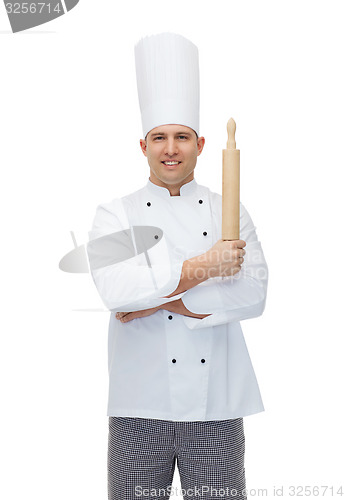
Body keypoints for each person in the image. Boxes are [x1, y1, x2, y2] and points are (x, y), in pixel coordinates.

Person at [87, 33, 268, 500]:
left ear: (201, 144)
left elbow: (254, 294)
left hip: (218, 410)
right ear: (142, 145)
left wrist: (154, 299)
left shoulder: (229, 210)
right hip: (137, 407)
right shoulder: (115, 214)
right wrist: (208, 265)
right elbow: (114, 290)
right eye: (160, 137)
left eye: (182, 137)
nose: (171, 148)